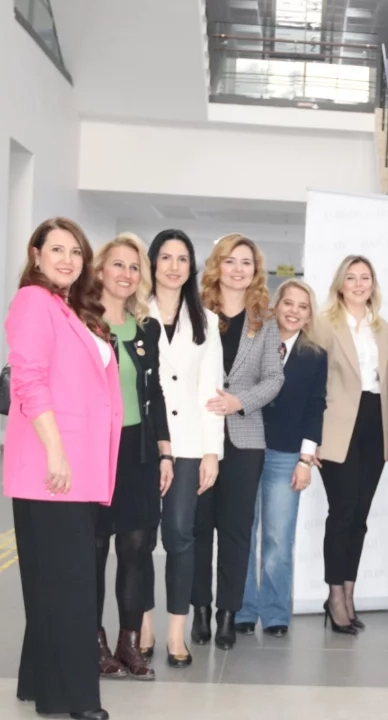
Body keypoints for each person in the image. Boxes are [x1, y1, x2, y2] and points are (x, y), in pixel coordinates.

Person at [7, 218, 120, 720]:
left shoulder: (70, 307)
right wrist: (55, 450)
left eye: (76, 251)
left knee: (51, 581)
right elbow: (29, 382)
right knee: (72, 586)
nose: (68, 260)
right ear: (36, 254)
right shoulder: (33, 301)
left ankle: (41, 684)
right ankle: (78, 699)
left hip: (79, 467)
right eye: (56, 249)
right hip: (53, 468)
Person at [194, 235, 285, 651]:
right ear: (217, 265)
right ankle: (198, 608)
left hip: (246, 440)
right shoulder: (196, 312)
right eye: (230, 261)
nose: (237, 269)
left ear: (255, 270)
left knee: (235, 531)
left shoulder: (263, 319)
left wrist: (239, 401)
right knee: (198, 528)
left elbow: (274, 378)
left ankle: (228, 613)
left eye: (246, 262)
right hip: (198, 436)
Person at [93, 234, 173, 682]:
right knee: (94, 548)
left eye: (134, 267)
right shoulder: (81, 322)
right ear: (100, 270)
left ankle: (129, 641)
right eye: (118, 264)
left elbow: (154, 392)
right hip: (94, 450)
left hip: (138, 450)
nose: (126, 274)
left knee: (137, 548)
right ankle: (93, 641)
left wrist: (165, 452)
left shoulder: (147, 329)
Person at [145, 229, 223, 668]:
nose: (174, 266)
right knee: (138, 538)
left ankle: (176, 632)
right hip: (143, 442)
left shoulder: (206, 319)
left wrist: (212, 451)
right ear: (153, 262)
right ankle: (142, 626)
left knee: (179, 535)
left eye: (182, 259)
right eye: (166, 257)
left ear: (191, 267)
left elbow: (211, 389)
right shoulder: (135, 311)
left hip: (190, 444)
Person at [236, 279, 326, 639]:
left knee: (277, 538)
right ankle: (242, 609)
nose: (294, 311)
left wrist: (305, 459)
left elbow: (315, 407)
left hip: (286, 454)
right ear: (276, 306)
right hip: (246, 448)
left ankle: (274, 613)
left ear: (309, 315)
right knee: (243, 532)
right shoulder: (252, 342)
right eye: (288, 303)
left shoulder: (315, 355)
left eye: (302, 307)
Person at [315, 255, 388, 634]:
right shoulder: (323, 323)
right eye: (352, 277)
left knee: (359, 516)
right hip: (337, 426)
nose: (359, 284)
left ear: (373, 284)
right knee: (342, 511)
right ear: (340, 284)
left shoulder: (383, 327)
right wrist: (311, 438)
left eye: (365, 277)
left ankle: (349, 591)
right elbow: (313, 380)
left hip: (375, 423)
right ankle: (334, 595)